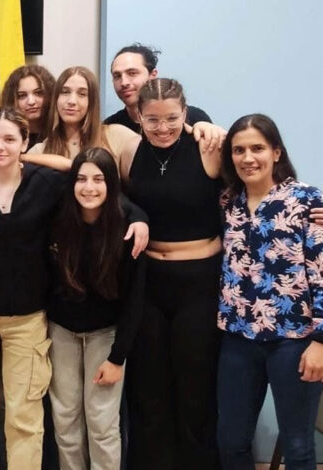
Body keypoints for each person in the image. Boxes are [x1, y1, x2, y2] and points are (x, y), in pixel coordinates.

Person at [0, 107, 147, 470]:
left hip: (28, 318)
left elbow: (90, 181)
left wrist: (139, 218)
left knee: (25, 418)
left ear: (24, 142)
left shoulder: (45, 184)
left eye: (9, 139)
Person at [122, 78, 223, 470]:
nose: (162, 128)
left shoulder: (208, 147)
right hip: (149, 283)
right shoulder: (130, 151)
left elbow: (259, 170)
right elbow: (111, 192)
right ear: (139, 117)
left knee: (195, 387)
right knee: (149, 389)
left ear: (186, 113)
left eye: (171, 119)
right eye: (152, 120)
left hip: (199, 283)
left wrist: (309, 209)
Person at [216, 114, 323, 470]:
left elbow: (322, 271)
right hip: (238, 338)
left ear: (276, 152)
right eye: (239, 150)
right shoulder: (227, 202)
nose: (248, 158)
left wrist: (321, 342)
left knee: (298, 446)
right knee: (231, 441)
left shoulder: (307, 201)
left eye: (257, 148)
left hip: (294, 340)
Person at [47, 148, 146, 470]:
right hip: (61, 333)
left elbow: (135, 299)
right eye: (81, 179)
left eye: (98, 179)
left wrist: (118, 358)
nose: (89, 187)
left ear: (111, 184)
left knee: (102, 423)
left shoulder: (128, 228)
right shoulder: (57, 221)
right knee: (65, 420)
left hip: (105, 336)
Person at [25, 66, 141, 175]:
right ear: (56, 98)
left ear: (92, 102)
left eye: (82, 94)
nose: (71, 101)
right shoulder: (39, 151)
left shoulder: (117, 136)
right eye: (65, 92)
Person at [106, 43, 212, 134]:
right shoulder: (109, 128)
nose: (124, 82)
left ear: (152, 75)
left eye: (132, 73)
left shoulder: (195, 119)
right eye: (117, 76)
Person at [0, 65, 56, 149]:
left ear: (50, 95)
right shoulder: (3, 136)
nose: (31, 102)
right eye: (22, 96)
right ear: (11, 100)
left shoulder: (63, 133)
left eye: (38, 93)